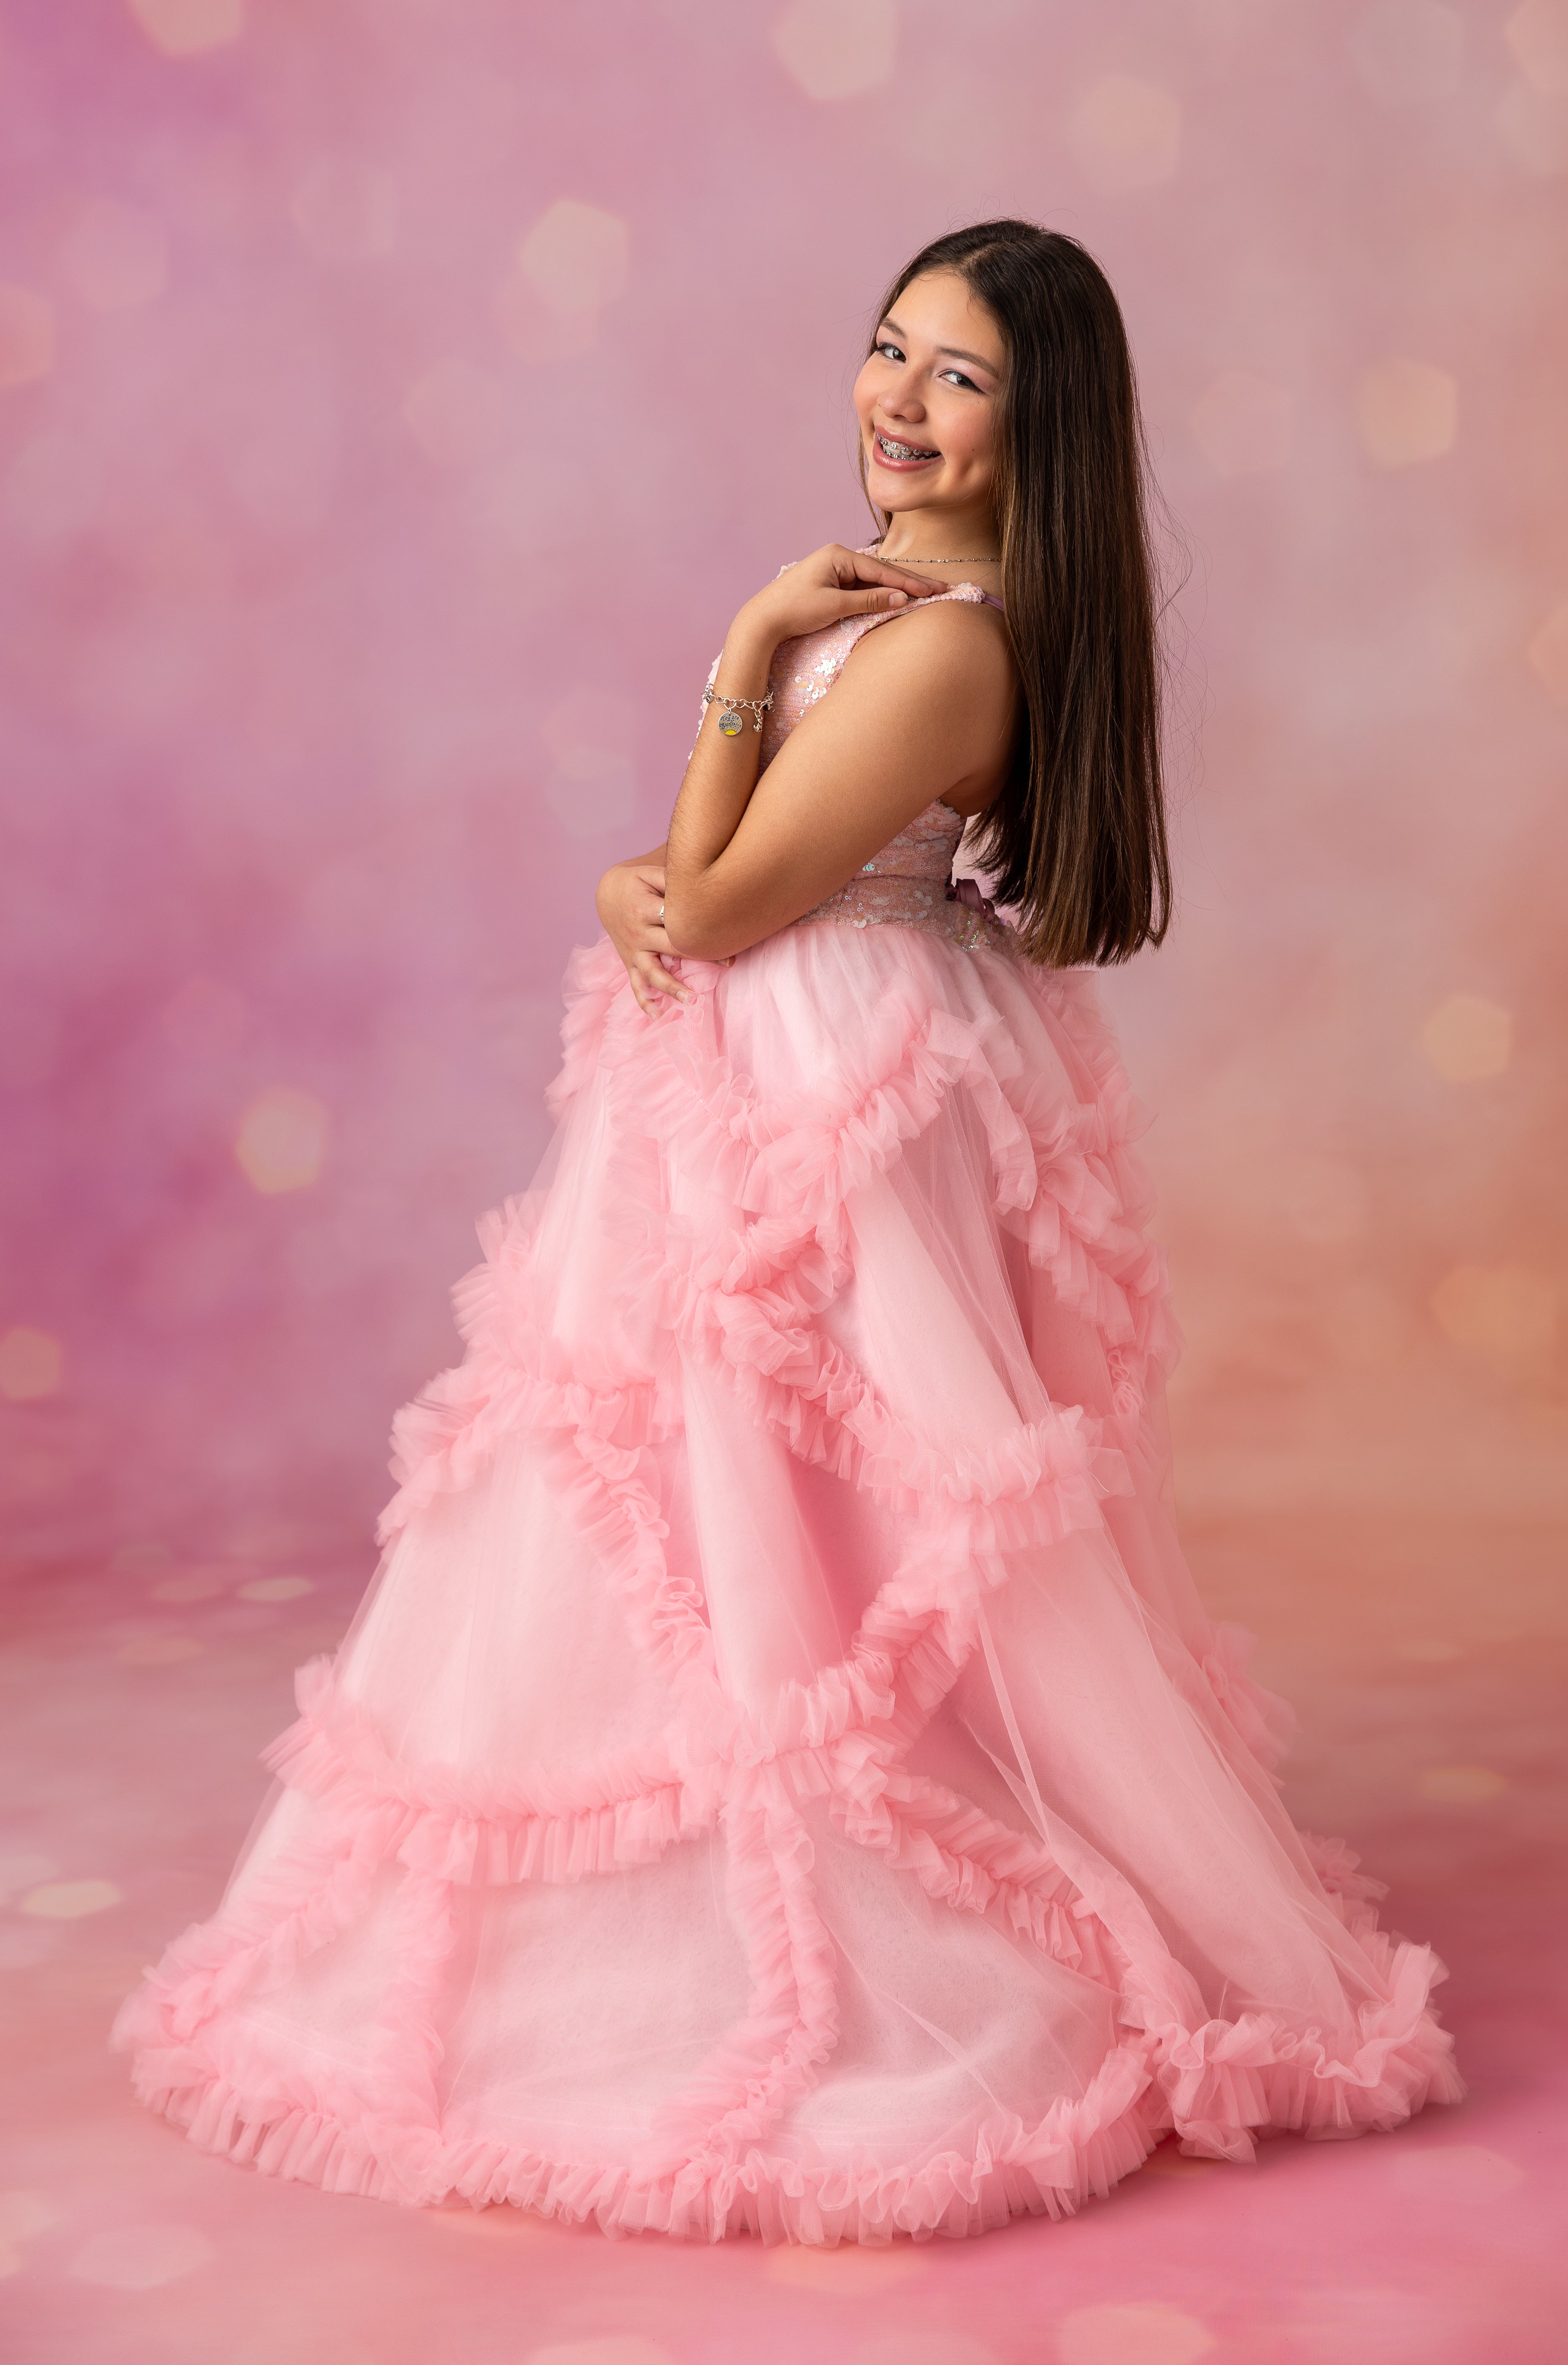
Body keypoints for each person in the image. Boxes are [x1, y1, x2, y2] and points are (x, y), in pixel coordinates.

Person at [115, 220, 1462, 2244]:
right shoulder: (909, 608)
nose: (898, 404)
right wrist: (636, 883)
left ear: (1042, 432)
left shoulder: (937, 643)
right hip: (791, 1056)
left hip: (828, 1081)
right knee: (725, 1487)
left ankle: (852, 1911)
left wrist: (742, 657)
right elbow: (684, 879)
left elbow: (722, 902)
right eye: (886, 352)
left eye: (959, 379)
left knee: (795, 1489)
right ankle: (757, 1826)